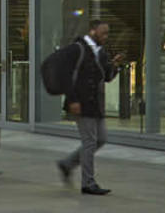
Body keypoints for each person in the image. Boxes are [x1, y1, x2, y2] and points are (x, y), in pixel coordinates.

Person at [51, 18, 123, 196]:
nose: (106, 36)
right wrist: (73, 100)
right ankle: (88, 183)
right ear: (93, 31)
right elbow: (67, 76)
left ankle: (67, 164)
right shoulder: (79, 49)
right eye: (103, 33)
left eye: (107, 33)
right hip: (81, 104)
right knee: (90, 142)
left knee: (101, 138)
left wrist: (115, 64)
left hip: (96, 104)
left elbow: (107, 77)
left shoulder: (101, 51)